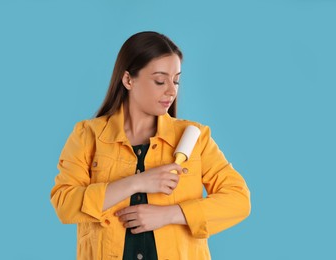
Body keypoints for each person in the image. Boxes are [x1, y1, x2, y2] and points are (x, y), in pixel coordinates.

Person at [50, 31, 251, 260]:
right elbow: (64, 204)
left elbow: (239, 199)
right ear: (128, 80)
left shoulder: (195, 138)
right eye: (159, 80)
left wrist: (170, 214)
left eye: (176, 80)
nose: (171, 90)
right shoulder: (88, 135)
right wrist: (138, 182)